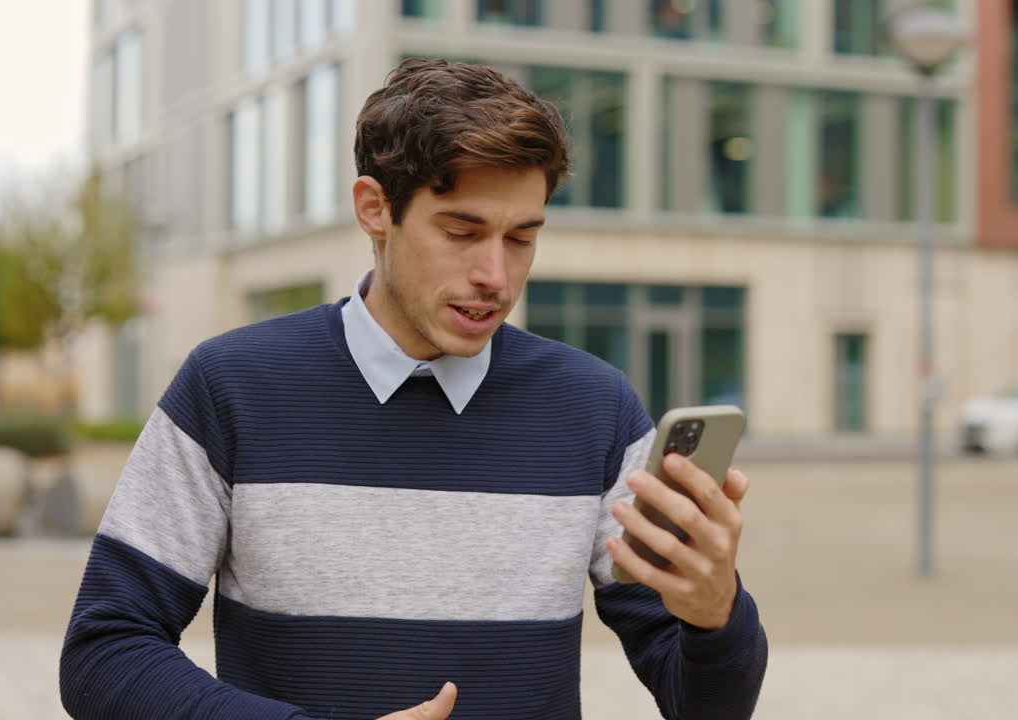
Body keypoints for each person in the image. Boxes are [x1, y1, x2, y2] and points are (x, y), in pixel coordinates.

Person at [60, 58, 768, 720]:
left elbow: (702, 704)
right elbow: (104, 652)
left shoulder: (595, 408)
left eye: (521, 237)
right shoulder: (231, 387)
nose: (496, 274)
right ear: (375, 209)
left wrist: (716, 615)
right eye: (463, 231)